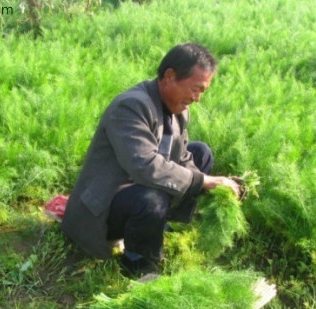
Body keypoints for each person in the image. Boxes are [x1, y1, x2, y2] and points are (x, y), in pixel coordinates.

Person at [62, 43, 240, 277]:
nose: (197, 98)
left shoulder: (179, 110)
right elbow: (143, 166)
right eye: (196, 89)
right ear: (169, 76)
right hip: (106, 205)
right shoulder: (131, 106)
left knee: (201, 153)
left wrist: (215, 184)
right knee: (152, 199)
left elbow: (183, 157)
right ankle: (139, 265)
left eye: (203, 91)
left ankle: (155, 225)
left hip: (137, 190)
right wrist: (203, 181)